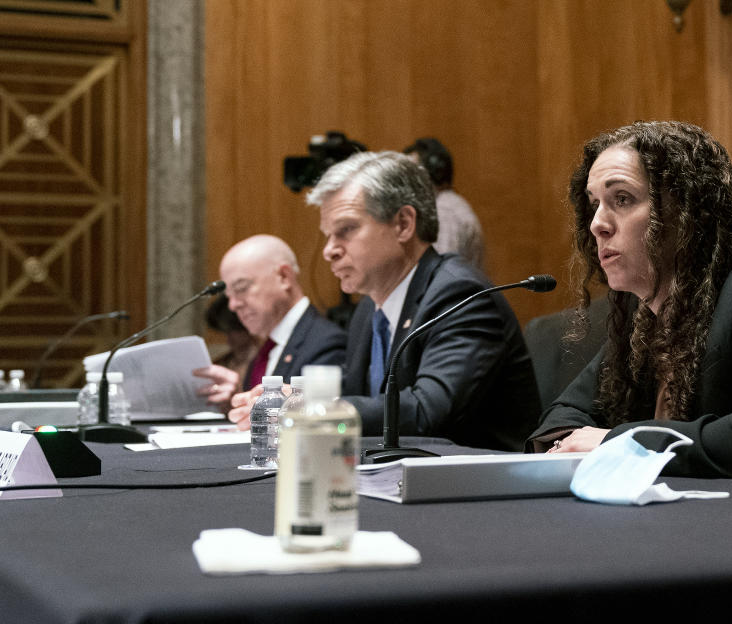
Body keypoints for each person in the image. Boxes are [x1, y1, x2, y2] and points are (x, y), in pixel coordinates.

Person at [530, 121, 732, 488]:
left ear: (687, 211)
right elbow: (561, 418)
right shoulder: (645, 317)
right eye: (595, 204)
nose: (597, 224)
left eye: (621, 199)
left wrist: (616, 443)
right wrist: (570, 445)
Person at [229, 152, 540, 451]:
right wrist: (298, 401)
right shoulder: (368, 309)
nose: (329, 251)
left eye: (346, 230)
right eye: (328, 235)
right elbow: (359, 401)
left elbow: (427, 412)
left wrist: (314, 408)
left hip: (481, 488)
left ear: (403, 224)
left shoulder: (459, 295)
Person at [194, 235, 346, 411]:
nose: (233, 305)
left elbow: (323, 417)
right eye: (228, 296)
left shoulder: (325, 343)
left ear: (284, 277)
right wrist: (235, 403)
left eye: (241, 288)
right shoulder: (267, 347)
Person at [404, 138, 485, 270]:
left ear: (436, 172)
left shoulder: (444, 213)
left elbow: (440, 271)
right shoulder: (450, 205)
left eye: (411, 173)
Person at [203, 293, 258, 385]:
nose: (229, 336)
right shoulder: (221, 363)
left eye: (233, 330)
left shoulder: (264, 361)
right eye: (225, 331)